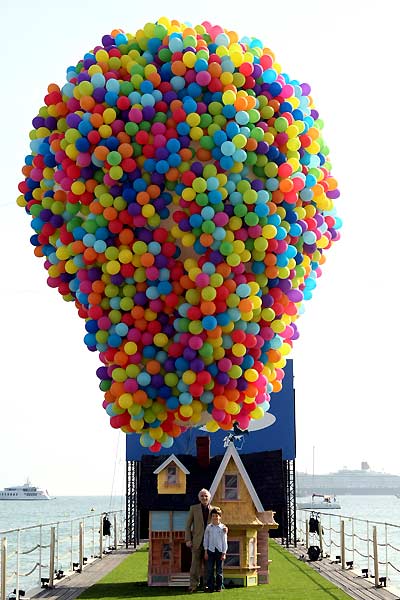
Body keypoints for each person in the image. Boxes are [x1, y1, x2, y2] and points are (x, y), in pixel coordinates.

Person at [185, 489, 214, 593]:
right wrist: (188, 539)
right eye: (202, 496)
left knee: (208, 566)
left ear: (209, 497)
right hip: (197, 541)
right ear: (199, 497)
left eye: (206, 496)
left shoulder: (215, 509)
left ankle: (206, 585)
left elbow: (219, 523)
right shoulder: (193, 508)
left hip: (210, 543)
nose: (204, 498)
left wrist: (225, 528)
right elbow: (188, 525)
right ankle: (193, 585)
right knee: (195, 565)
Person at [203, 508, 228, 593]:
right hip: (210, 551)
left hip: (220, 551)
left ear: (220, 517)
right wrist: (206, 551)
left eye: (217, 516)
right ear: (211, 517)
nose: (215, 517)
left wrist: (224, 553)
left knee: (219, 570)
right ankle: (210, 587)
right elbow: (206, 539)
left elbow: (224, 541)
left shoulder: (223, 528)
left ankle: (219, 587)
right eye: (213, 516)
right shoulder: (209, 527)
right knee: (209, 570)